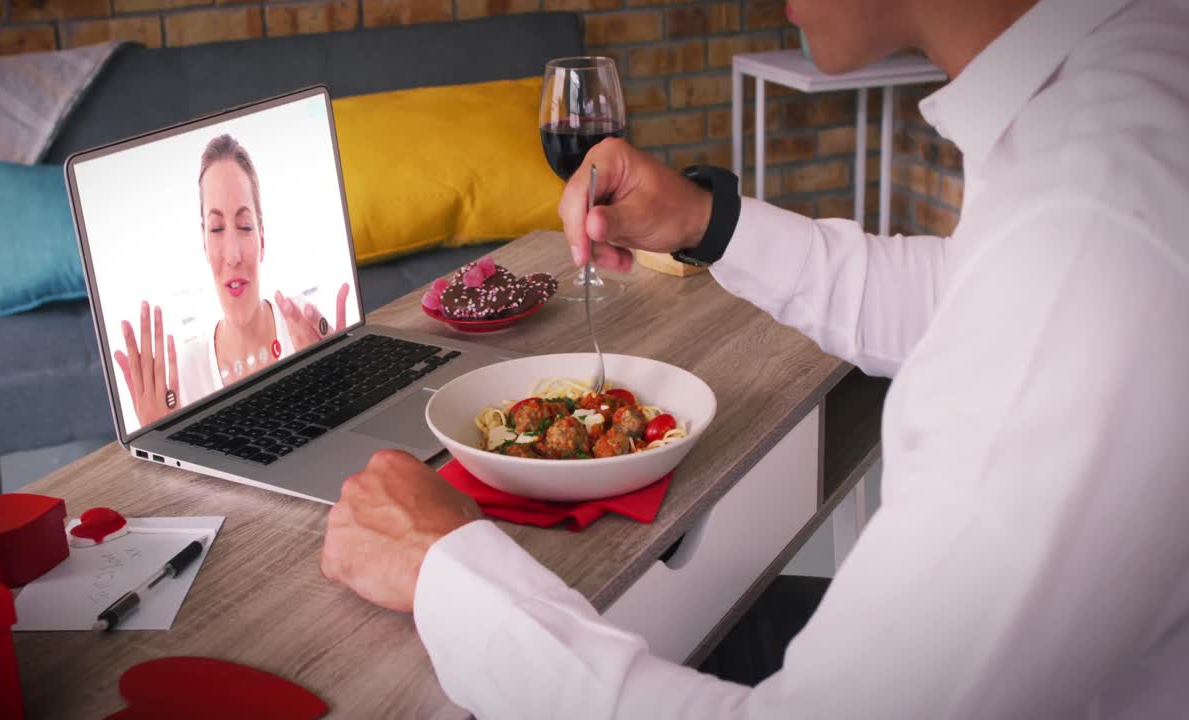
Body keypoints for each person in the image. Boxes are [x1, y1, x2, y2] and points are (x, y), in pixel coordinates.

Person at [320, 0, 1189, 717]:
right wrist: (709, 223)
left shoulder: (1091, 228)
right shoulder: (1121, 98)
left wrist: (450, 571)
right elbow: (966, 302)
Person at [114, 134, 350, 427]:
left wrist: (344, 391)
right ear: (203, 243)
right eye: (216, 229)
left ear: (262, 239)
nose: (233, 254)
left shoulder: (305, 327)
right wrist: (159, 439)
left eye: (244, 226)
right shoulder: (185, 374)